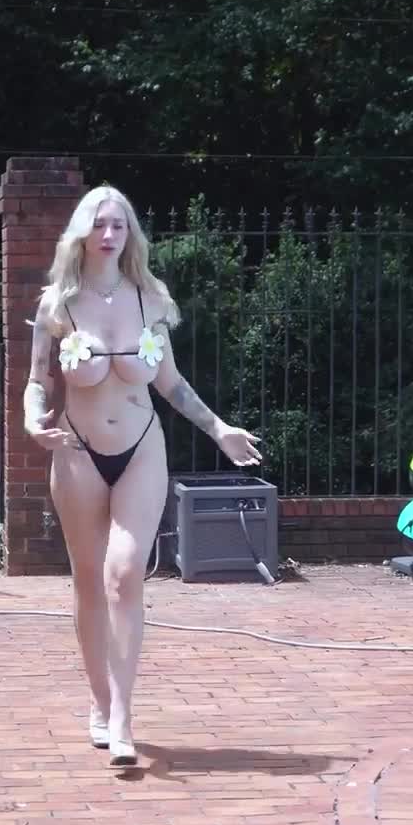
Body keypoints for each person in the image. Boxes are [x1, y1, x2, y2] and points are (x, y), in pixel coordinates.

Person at [23, 185, 262, 768]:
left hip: (140, 448)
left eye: (120, 225)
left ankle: (124, 716)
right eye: (100, 224)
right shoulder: (58, 304)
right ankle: (99, 701)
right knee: (88, 582)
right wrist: (32, 420)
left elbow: (170, 383)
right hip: (77, 451)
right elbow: (37, 382)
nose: (109, 234)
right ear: (82, 232)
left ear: (131, 233)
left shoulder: (149, 298)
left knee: (126, 574)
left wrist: (219, 429)